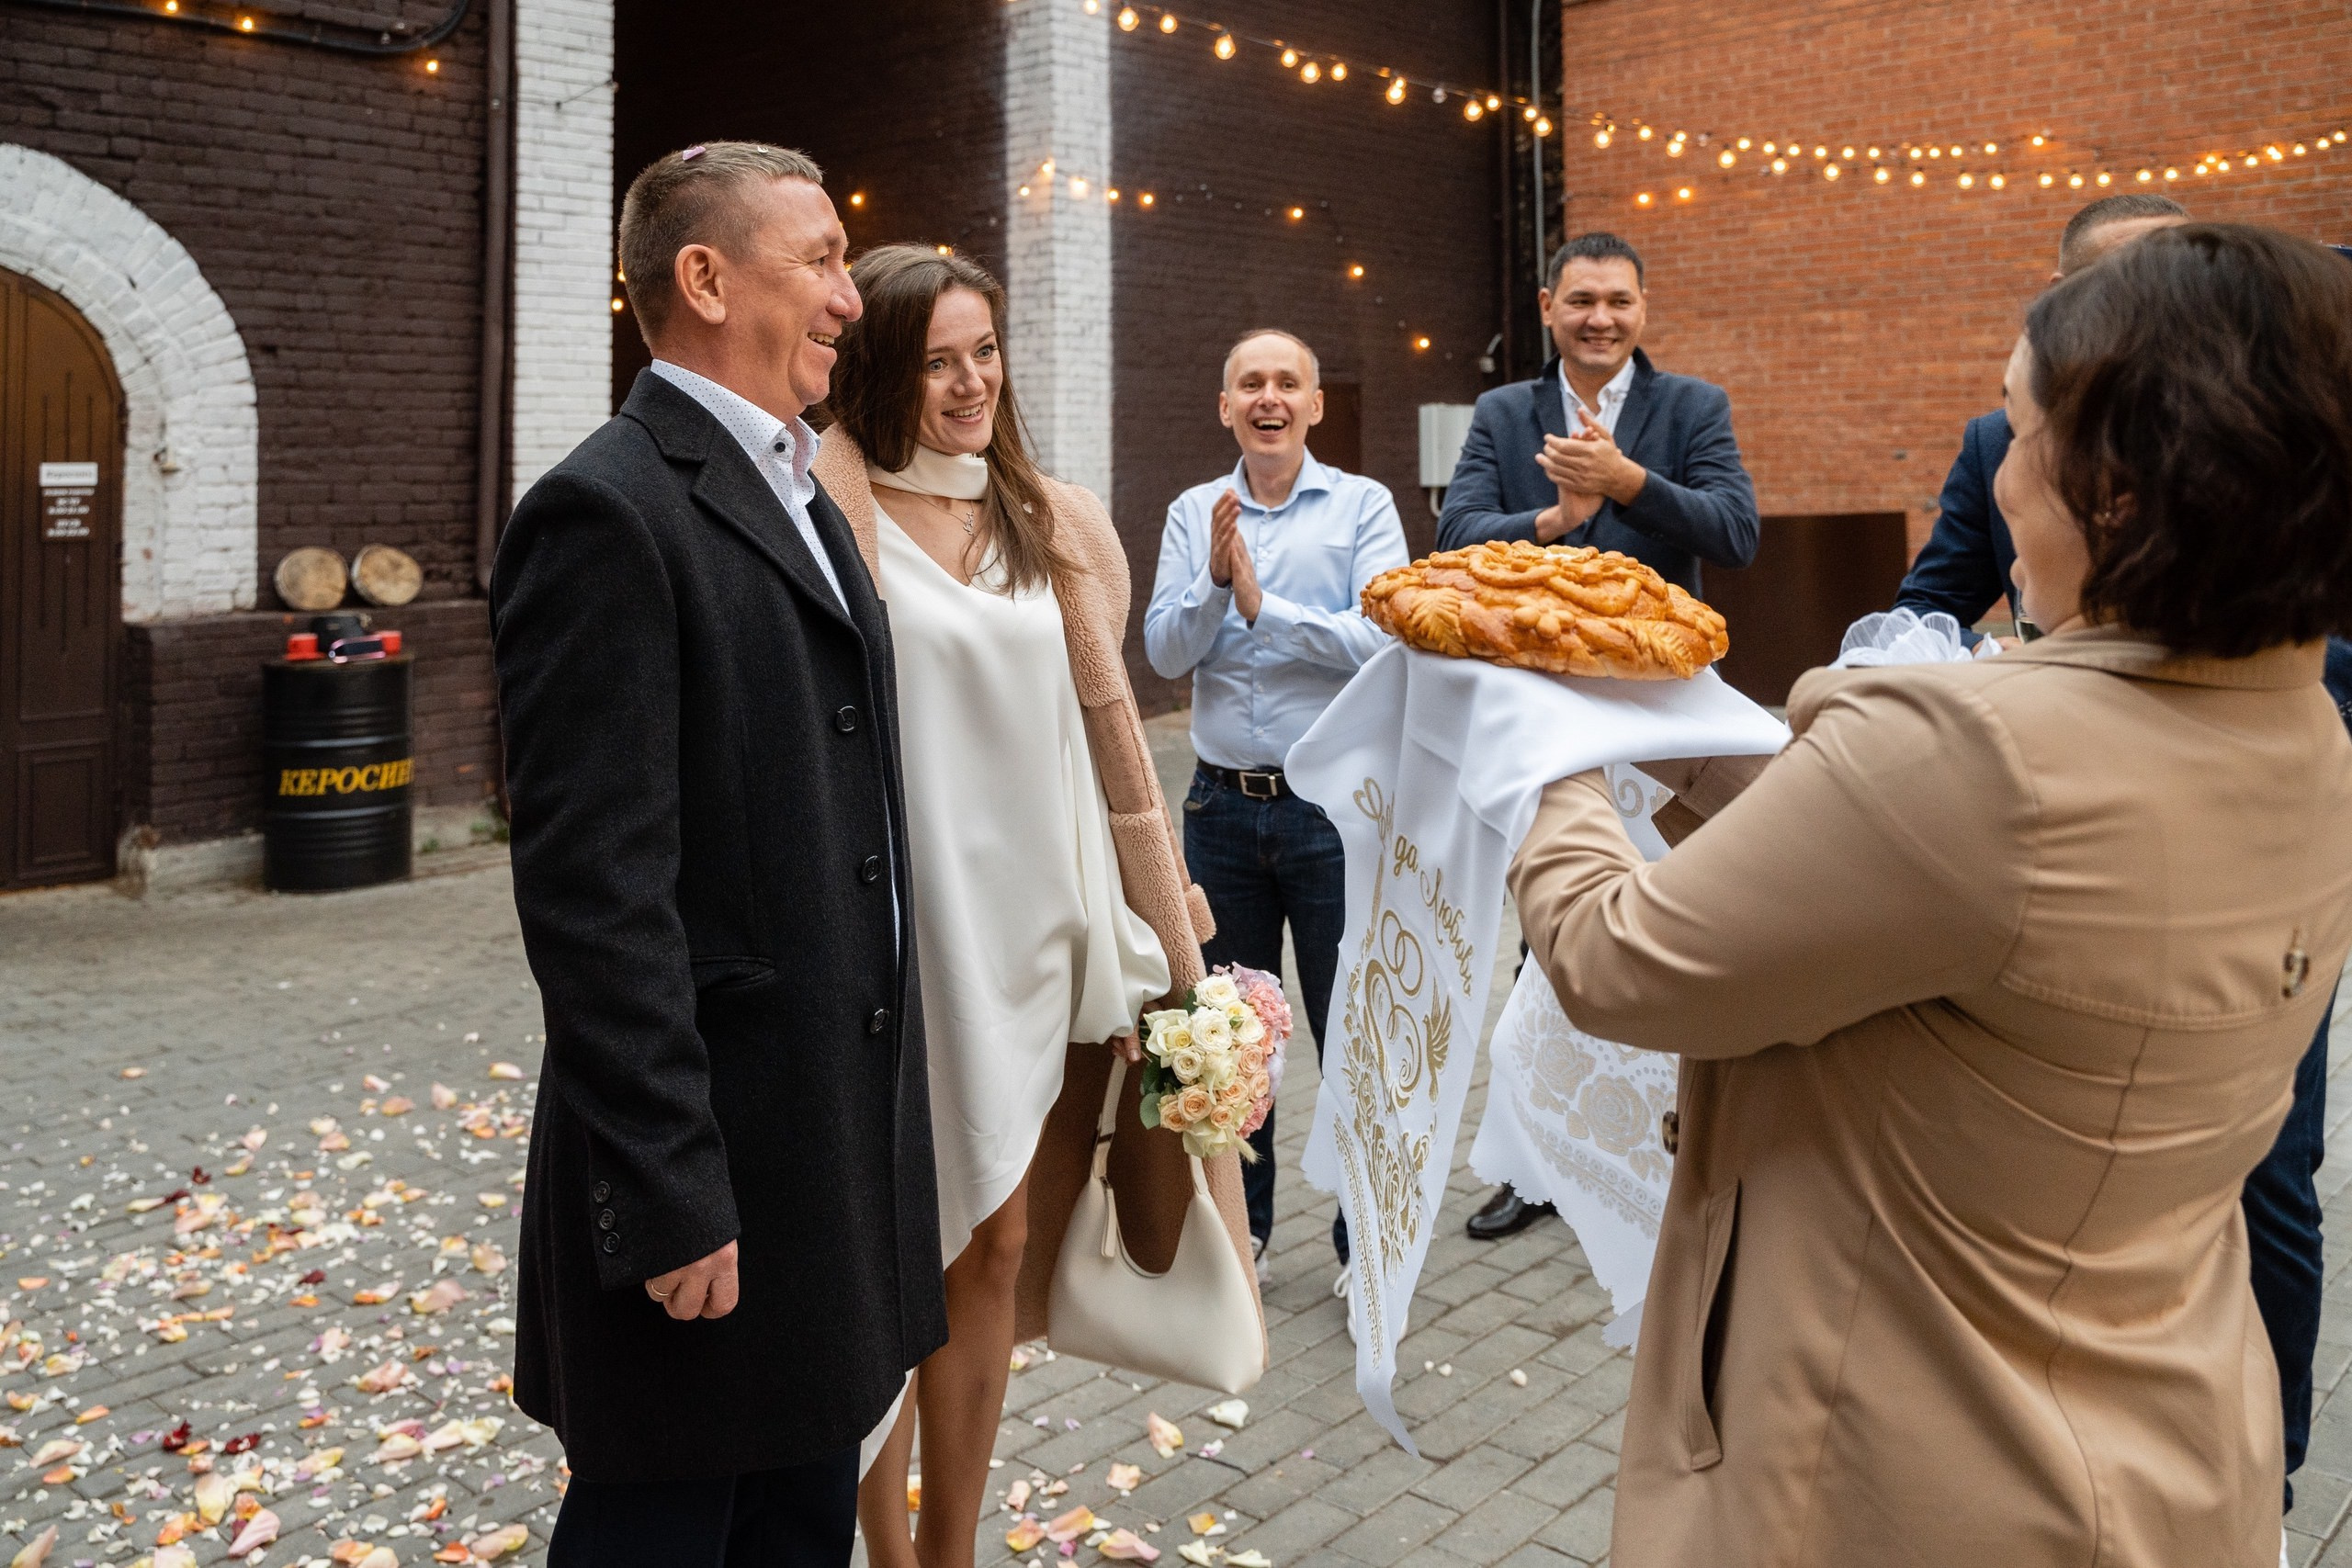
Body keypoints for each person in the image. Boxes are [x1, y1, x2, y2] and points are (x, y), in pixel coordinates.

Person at [1510, 223, 2352, 1566]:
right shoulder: (2301, 726)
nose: (1993, 472)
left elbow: (1618, 958)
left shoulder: (1977, 752)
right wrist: (1661, 728)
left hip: (1919, 1463)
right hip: (2173, 1432)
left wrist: (1540, 740)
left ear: (2120, 491)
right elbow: (1878, 866)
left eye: (2014, 433)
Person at [492, 144, 946, 1568]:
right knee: (662, 1531)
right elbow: (595, 898)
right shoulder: (608, 511)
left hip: (820, 1156)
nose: (848, 299)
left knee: (797, 1526)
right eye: (816, 259)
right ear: (704, 278)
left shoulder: (803, 493)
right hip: (714, 1182)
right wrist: (672, 1190)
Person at [811, 246, 1255, 1568]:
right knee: (894, 1249)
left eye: (987, 349)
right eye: (939, 356)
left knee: (1001, 1239)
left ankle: (945, 1547)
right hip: (901, 935)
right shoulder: (824, 513)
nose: (971, 381)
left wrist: (1150, 911)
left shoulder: (1052, 516)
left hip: (1039, 934)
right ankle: (882, 1550)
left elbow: (1100, 743)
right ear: (882, 365)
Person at [1438, 231, 1760, 1240]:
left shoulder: (1690, 408)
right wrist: (1548, 519)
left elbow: (1734, 533)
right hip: (1543, 710)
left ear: (1642, 308)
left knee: (1672, 917)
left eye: (1617, 301)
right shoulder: (1503, 412)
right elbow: (1452, 538)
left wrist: (1627, 485)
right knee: (1550, 936)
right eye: (1580, 300)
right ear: (1547, 307)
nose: (1599, 319)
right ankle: (1533, 1163)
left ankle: (1681, 1138)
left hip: (1664, 711)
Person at [1144, 329, 1410, 1302]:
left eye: (1285, 382)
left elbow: (1383, 640)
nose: (1267, 397)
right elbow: (1166, 652)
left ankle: (1359, 1249)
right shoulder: (1192, 512)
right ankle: (1238, 1236)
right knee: (1228, 1040)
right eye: (1249, 383)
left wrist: (1265, 609)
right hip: (1220, 809)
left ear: (1314, 403)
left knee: (1351, 1029)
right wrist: (1217, 585)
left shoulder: (1363, 506)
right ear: (1224, 406)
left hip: (1330, 815)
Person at [1894, 191, 2189, 636]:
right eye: (2124, 281)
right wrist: (1986, 655)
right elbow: (1921, 612)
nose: (2157, 301)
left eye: (2183, 279)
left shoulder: (2263, 429)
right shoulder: (1995, 442)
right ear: (2060, 296)